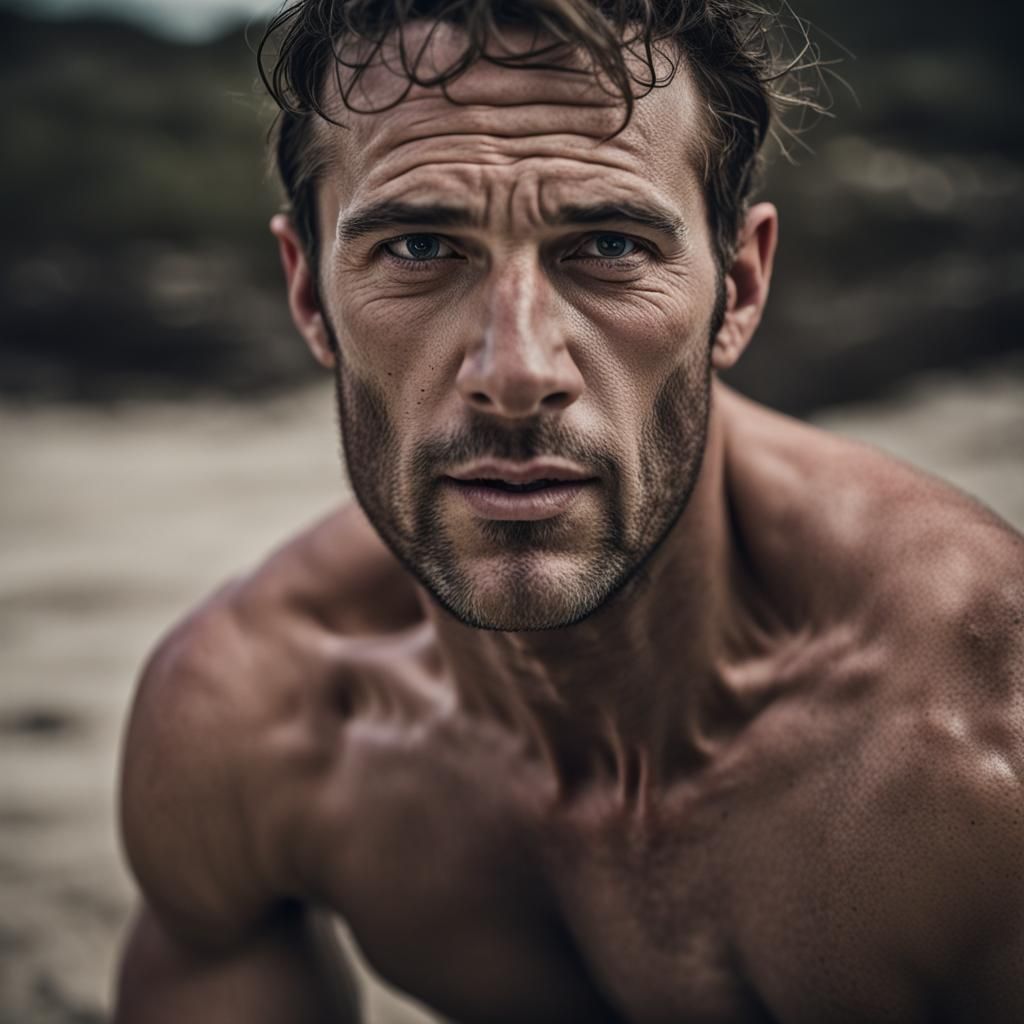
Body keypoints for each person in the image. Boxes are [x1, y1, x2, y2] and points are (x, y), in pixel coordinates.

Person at [114, 1, 1024, 1021]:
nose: (517, 370)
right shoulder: (257, 725)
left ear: (738, 287)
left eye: (607, 243)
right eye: (419, 247)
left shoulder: (973, 747)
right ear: (309, 295)